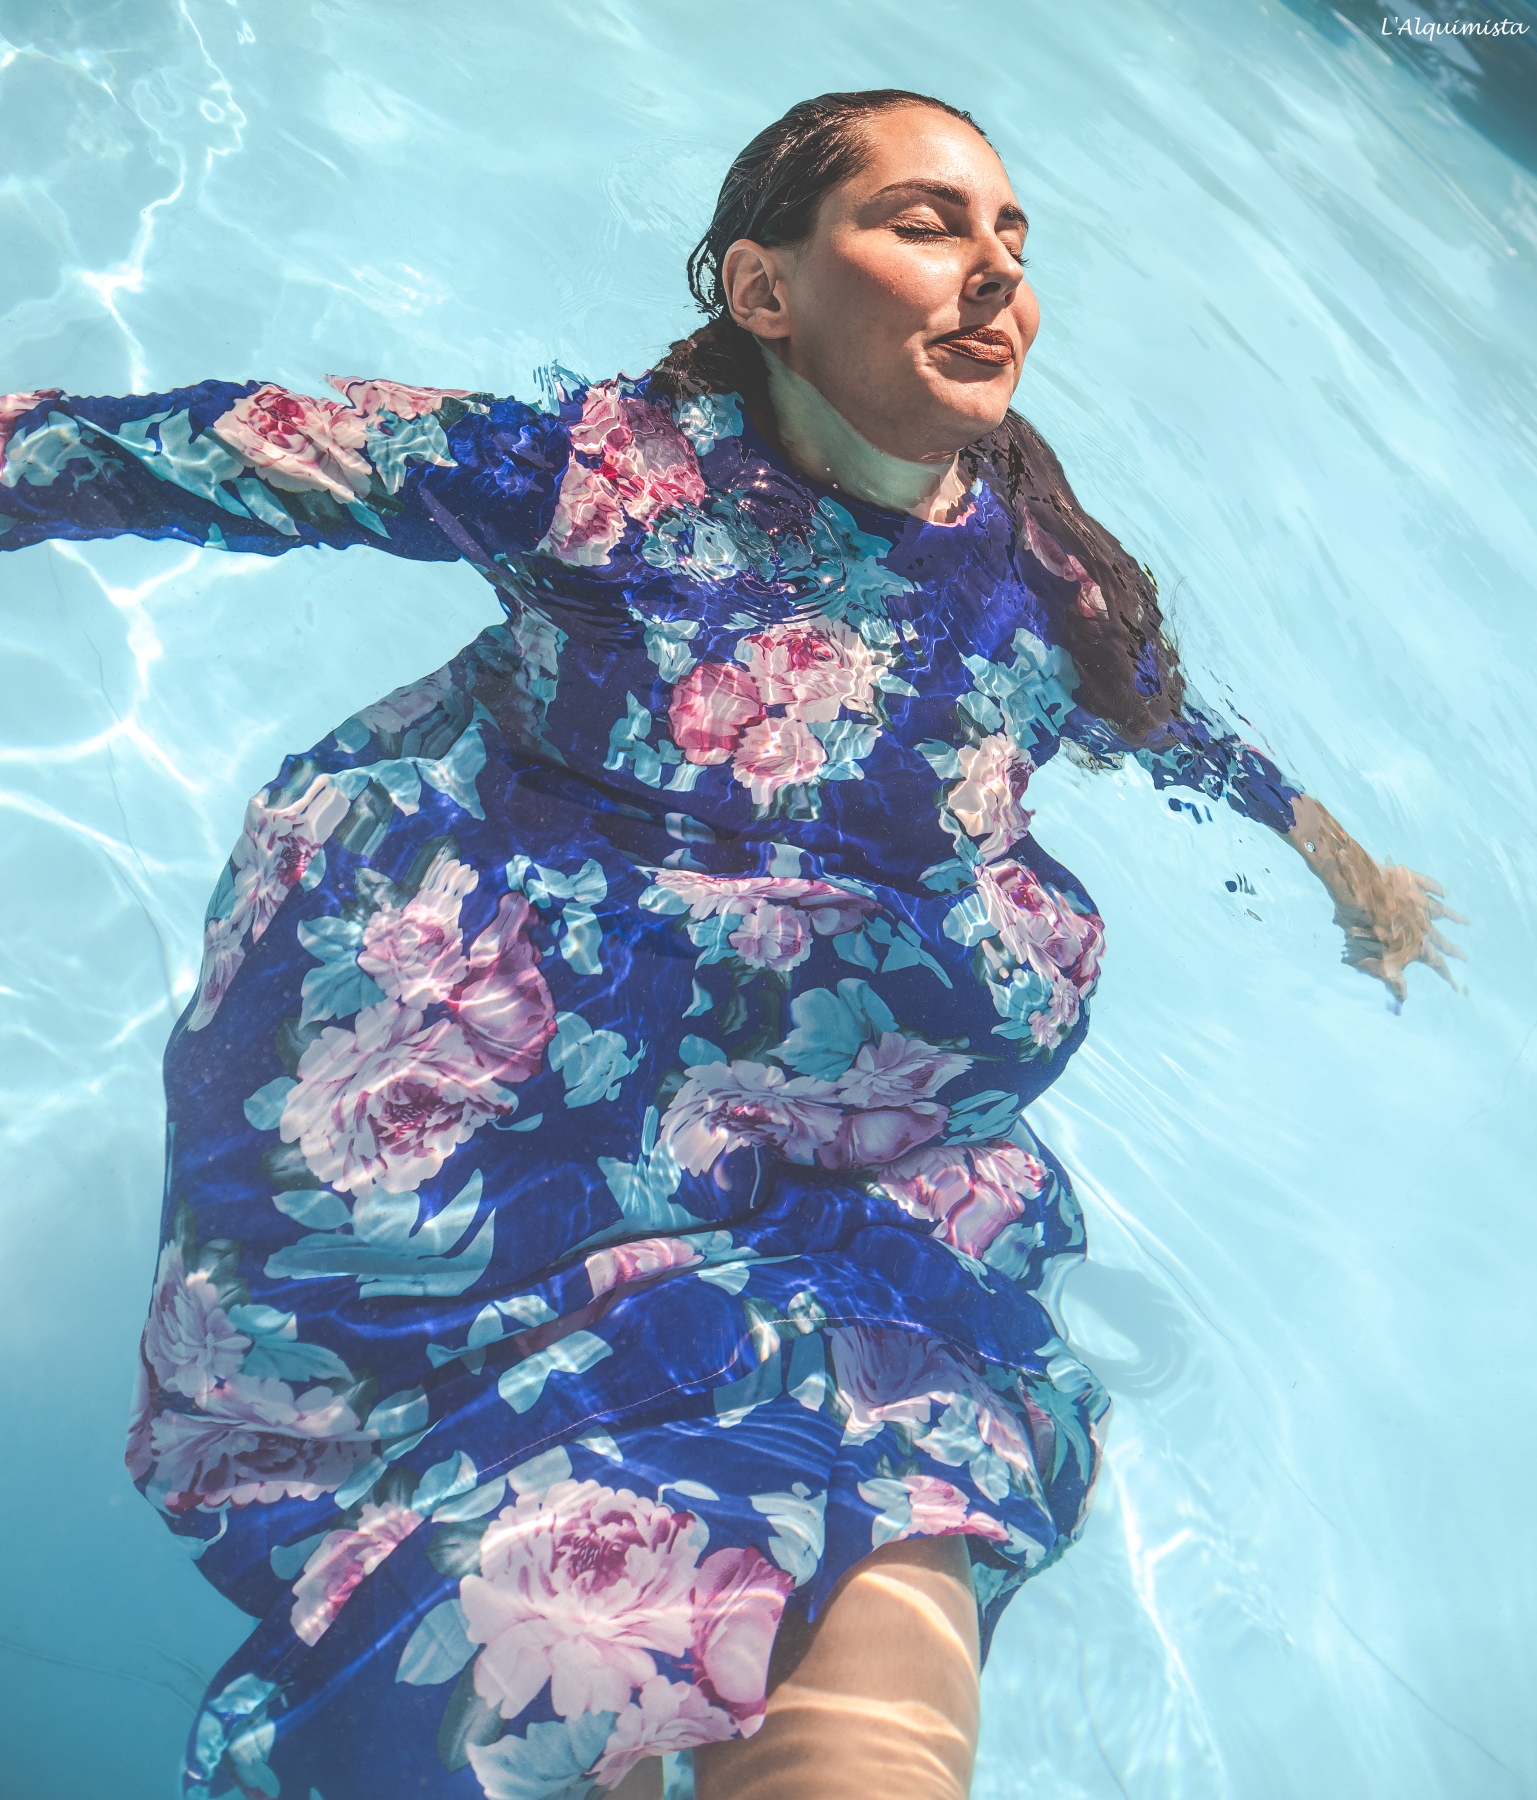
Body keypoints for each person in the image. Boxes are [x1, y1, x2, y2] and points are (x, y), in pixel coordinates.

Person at [0, 89, 1465, 1800]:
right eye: (924, 222)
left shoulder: (1033, 570)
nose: (996, 270)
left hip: (828, 1160)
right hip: (499, 1153)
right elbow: (197, 449)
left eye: (1011, 235)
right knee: (570, 1613)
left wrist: (1339, 859)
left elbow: (1166, 725)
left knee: (896, 1500)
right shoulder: (600, 485)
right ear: (765, 290)